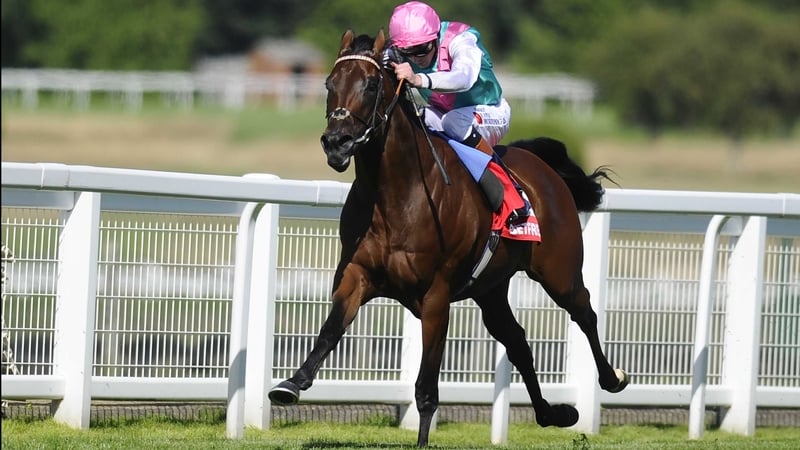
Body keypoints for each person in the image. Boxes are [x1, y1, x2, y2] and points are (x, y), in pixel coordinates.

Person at [386, 1, 530, 226]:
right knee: (414, 120)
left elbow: (464, 78)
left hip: (490, 111)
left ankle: (510, 190)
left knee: (455, 121)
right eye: (408, 53)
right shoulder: (400, 49)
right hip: (444, 113)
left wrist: (418, 78)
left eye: (422, 49)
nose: (416, 59)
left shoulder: (462, 39)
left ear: (435, 37)